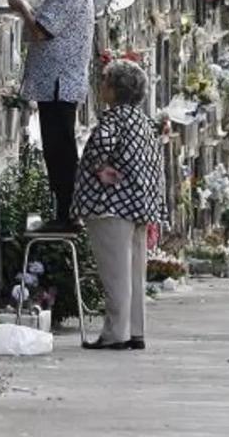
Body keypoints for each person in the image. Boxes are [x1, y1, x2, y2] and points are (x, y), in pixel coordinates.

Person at [74, 59, 165, 350]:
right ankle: (135, 331)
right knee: (135, 272)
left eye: (105, 83)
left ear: (115, 90)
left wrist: (98, 168)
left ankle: (115, 334)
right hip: (140, 205)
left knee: (115, 274)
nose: (101, 87)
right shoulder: (143, 121)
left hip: (112, 205)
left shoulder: (114, 119)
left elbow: (99, 147)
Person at [7, 0, 94, 231]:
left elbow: (41, 31)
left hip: (59, 84)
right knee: (59, 149)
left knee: (60, 151)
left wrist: (22, 8)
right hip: (60, 83)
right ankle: (66, 212)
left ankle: (67, 215)